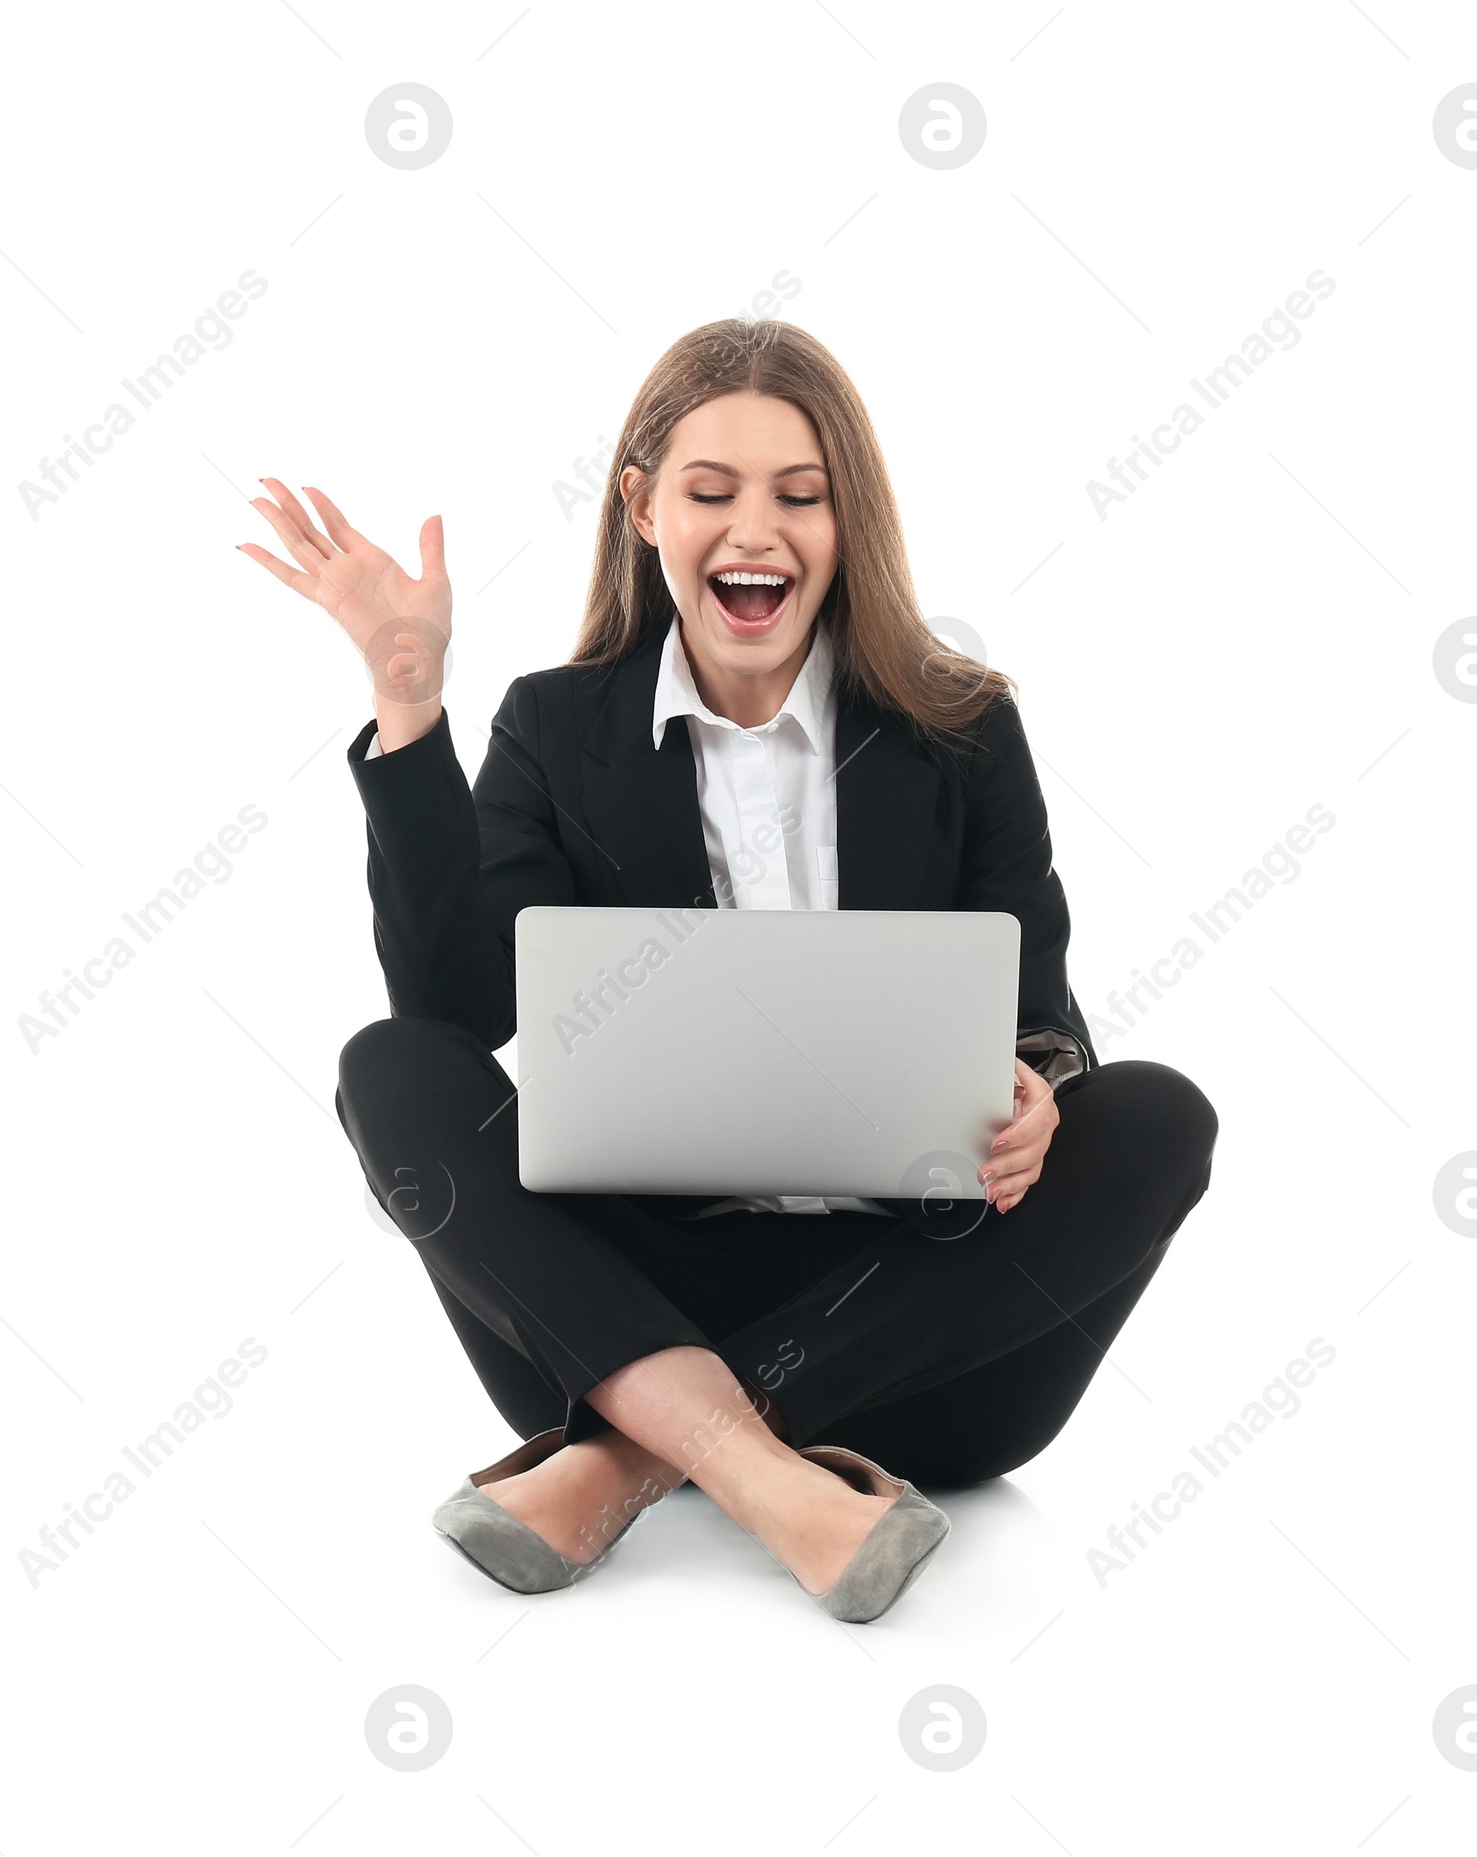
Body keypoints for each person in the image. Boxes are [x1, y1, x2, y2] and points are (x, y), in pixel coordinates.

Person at [237, 319, 1218, 1622]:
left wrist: (1037, 1090)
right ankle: (784, 1485)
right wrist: (410, 702)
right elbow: (459, 1011)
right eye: (710, 493)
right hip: (624, 1306)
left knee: (1154, 1112)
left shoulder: (962, 728)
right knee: (392, 1064)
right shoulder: (555, 726)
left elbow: (1037, 1007)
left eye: (799, 496)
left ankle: (632, 1461)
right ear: (643, 506)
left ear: (843, 520)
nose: (755, 531)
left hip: (923, 1323)